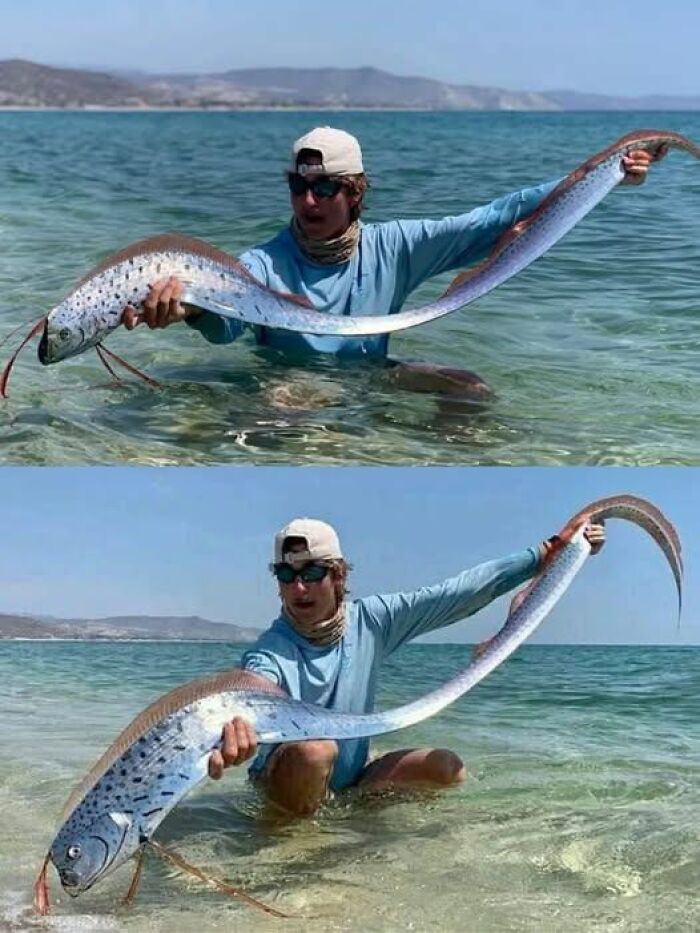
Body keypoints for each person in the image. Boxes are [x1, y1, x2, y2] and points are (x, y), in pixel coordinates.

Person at [122, 127, 663, 397]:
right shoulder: (261, 263)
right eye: (298, 186)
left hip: (367, 379)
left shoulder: (397, 245)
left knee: (470, 390)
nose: (308, 201)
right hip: (285, 390)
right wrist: (188, 310)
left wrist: (602, 173)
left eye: (324, 187)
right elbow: (227, 325)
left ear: (355, 191)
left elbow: (497, 218)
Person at [206, 516, 605, 816]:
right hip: (285, 784)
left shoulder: (372, 621)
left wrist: (547, 553)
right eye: (286, 575)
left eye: (312, 572)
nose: (299, 587)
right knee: (314, 751)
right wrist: (235, 730)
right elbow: (254, 686)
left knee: (445, 768)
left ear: (339, 575)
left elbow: (456, 594)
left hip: (350, 781)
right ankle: (295, 846)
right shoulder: (271, 650)